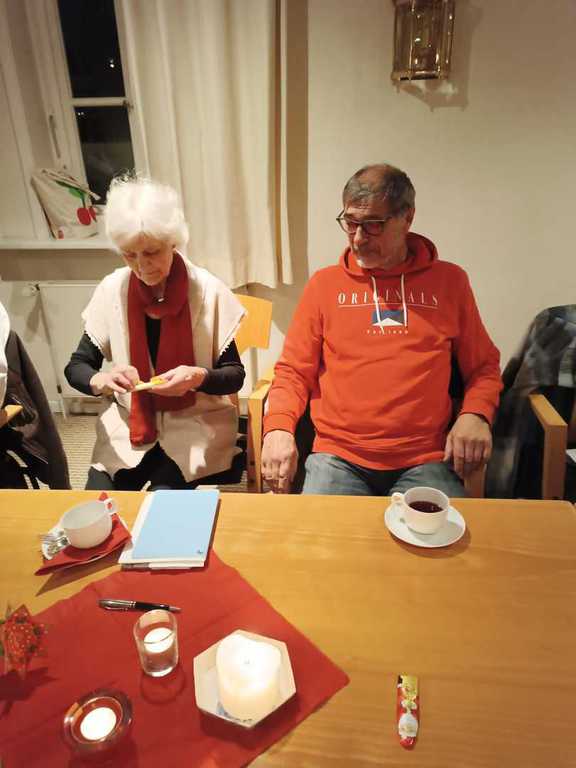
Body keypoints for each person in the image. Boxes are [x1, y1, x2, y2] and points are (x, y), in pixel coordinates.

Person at [261, 164, 502, 496]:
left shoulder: (450, 282)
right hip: (338, 456)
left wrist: (475, 414)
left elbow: (484, 367)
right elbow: (292, 371)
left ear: (407, 217)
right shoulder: (324, 285)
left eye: (373, 225)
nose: (359, 239)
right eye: (351, 223)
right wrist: (277, 428)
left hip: (426, 458)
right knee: (321, 532)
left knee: (448, 530)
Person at [65, 177, 246, 490]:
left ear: (173, 242)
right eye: (129, 254)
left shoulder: (208, 291)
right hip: (129, 425)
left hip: (195, 424)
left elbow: (235, 375)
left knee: (164, 503)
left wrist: (199, 377)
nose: (141, 266)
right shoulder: (112, 289)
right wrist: (102, 380)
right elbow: (77, 366)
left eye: (151, 252)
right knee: (100, 501)